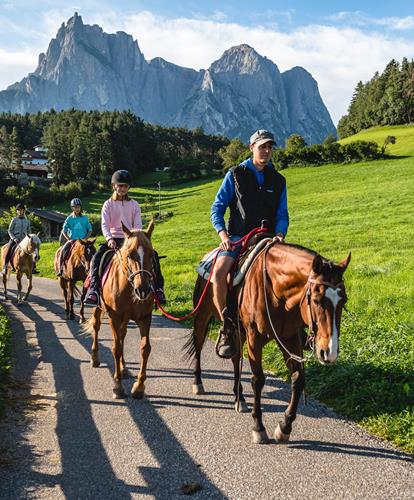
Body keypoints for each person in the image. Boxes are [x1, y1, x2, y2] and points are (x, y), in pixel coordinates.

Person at [210, 129, 289, 358]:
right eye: (262, 146)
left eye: (270, 147)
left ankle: (293, 329)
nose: (266, 151)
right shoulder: (235, 174)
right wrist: (223, 234)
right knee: (218, 274)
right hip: (237, 238)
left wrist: (281, 233)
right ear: (251, 147)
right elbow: (217, 207)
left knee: (293, 272)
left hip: (270, 239)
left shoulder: (279, 180)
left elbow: (282, 214)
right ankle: (227, 327)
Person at [84, 169, 166, 306]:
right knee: (97, 257)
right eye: (119, 185)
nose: (122, 188)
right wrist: (109, 239)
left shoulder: (134, 204)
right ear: (114, 186)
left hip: (131, 240)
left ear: (129, 187)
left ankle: (158, 289)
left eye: (125, 186)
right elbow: (105, 224)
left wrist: (137, 239)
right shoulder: (108, 204)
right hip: (114, 239)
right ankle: (94, 290)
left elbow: (138, 224)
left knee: (154, 256)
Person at [56, 198, 93, 277]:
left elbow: (90, 230)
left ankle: (93, 269)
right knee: (63, 250)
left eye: (78, 207)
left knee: (92, 251)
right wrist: (69, 239)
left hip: (83, 241)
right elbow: (64, 230)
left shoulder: (85, 218)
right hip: (72, 240)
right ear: (72, 208)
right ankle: (61, 268)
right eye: (75, 207)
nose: (77, 209)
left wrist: (86, 238)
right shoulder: (69, 219)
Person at [2, 202, 38, 274]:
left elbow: (29, 232)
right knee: (9, 249)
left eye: (21, 210)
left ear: (23, 211)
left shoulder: (27, 221)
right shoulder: (14, 220)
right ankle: (5, 267)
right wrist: (14, 238)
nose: (19, 211)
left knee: (32, 250)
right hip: (15, 239)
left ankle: (33, 267)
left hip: (24, 240)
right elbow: (9, 230)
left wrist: (29, 239)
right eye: (18, 210)